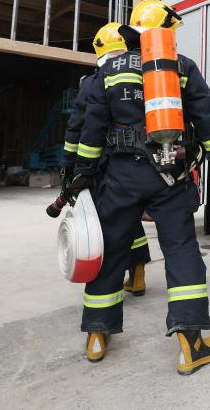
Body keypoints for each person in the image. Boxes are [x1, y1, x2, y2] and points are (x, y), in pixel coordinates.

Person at [73, 0, 210, 374]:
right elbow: (205, 120)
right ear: (167, 32)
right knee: (180, 250)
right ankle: (191, 344)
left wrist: (82, 172)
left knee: (111, 250)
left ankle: (97, 335)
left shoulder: (108, 69)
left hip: (120, 177)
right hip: (170, 175)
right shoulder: (182, 66)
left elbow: (91, 128)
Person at [61, 22, 152, 295]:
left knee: (108, 224)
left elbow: (78, 127)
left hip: (103, 166)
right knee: (130, 218)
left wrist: (70, 167)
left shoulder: (94, 81)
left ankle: (105, 289)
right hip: (143, 163)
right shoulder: (149, 74)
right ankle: (137, 273)